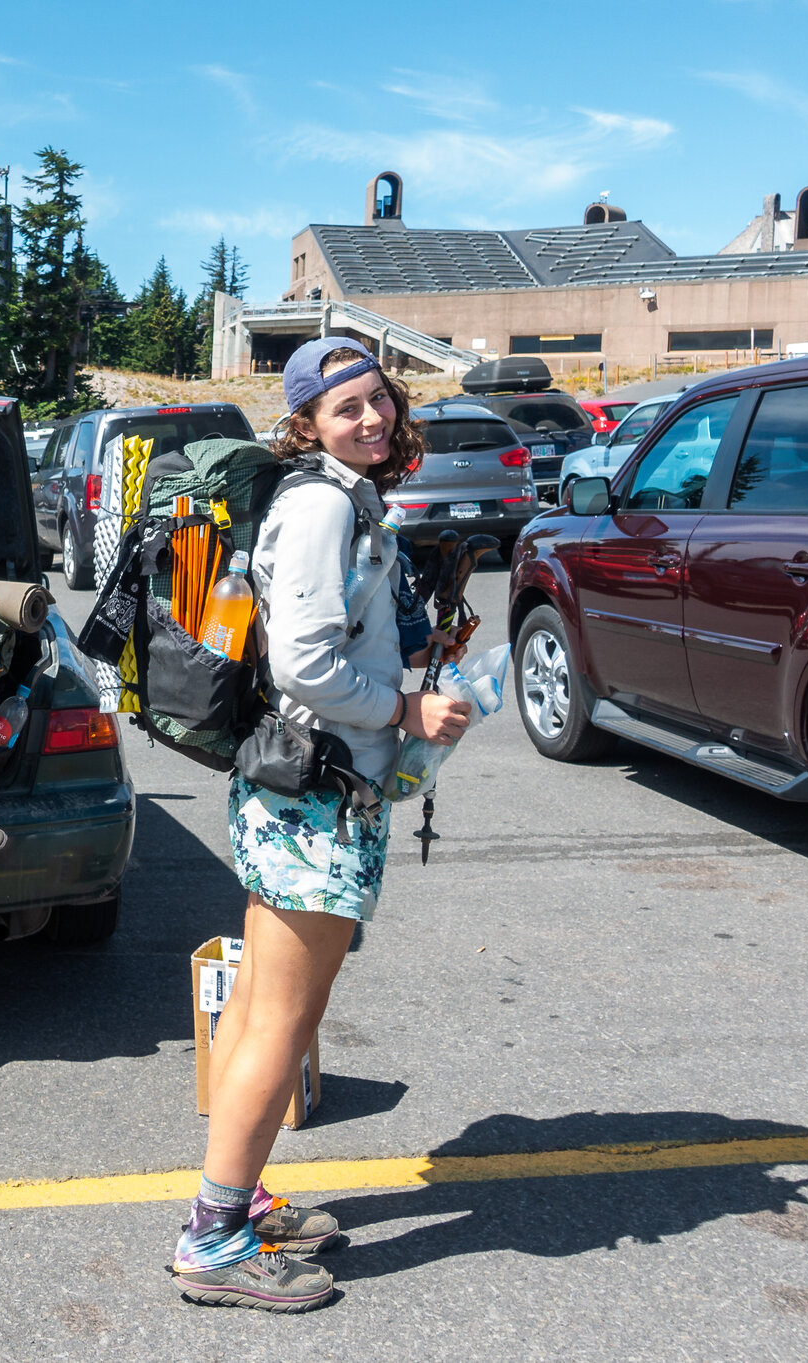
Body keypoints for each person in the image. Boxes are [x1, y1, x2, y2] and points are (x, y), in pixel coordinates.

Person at [170, 340, 471, 1312]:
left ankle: (241, 1193)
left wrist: (417, 636)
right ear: (305, 422)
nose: (371, 416)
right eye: (345, 407)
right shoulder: (321, 502)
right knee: (280, 1020)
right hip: (316, 790)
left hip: (297, 782)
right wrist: (403, 710)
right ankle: (213, 1237)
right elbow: (304, 664)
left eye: (376, 396)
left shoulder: (339, 496)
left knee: (263, 1005)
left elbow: (330, 629)